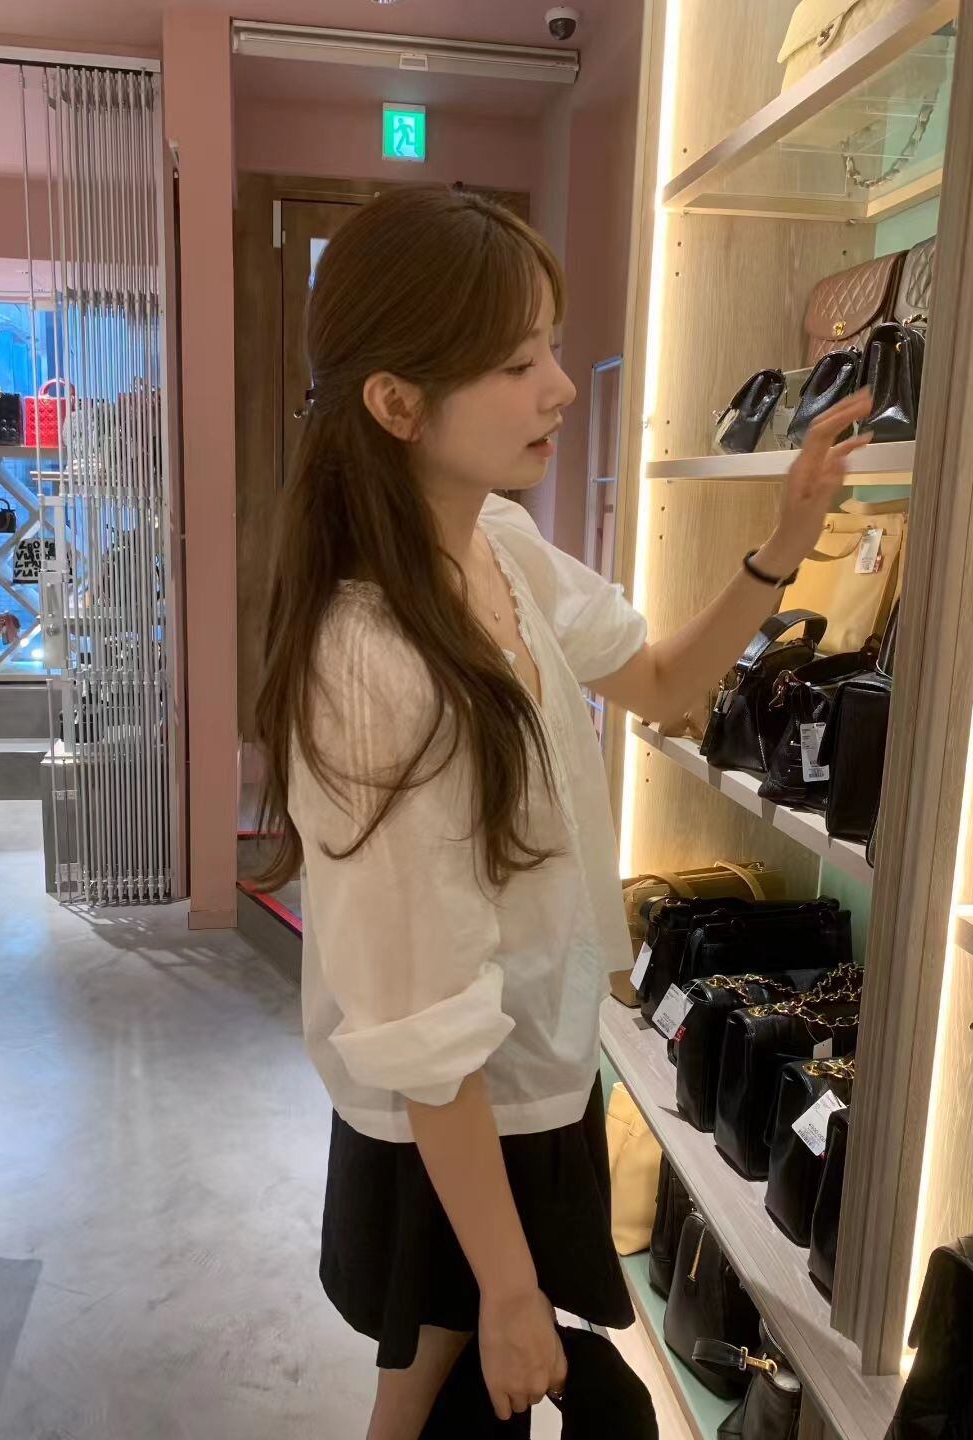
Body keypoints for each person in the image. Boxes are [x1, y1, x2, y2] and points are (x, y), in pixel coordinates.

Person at [254, 185, 871, 1440]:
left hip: (534, 1073)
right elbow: (423, 1021)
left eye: (549, 347)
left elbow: (664, 682)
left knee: (427, 1402)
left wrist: (784, 543)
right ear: (397, 404)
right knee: (437, 1398)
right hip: (457, 1123)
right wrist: (508, 1285)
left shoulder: (499, 544)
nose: (559, 388)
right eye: (515, 362)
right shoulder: (370, 661)